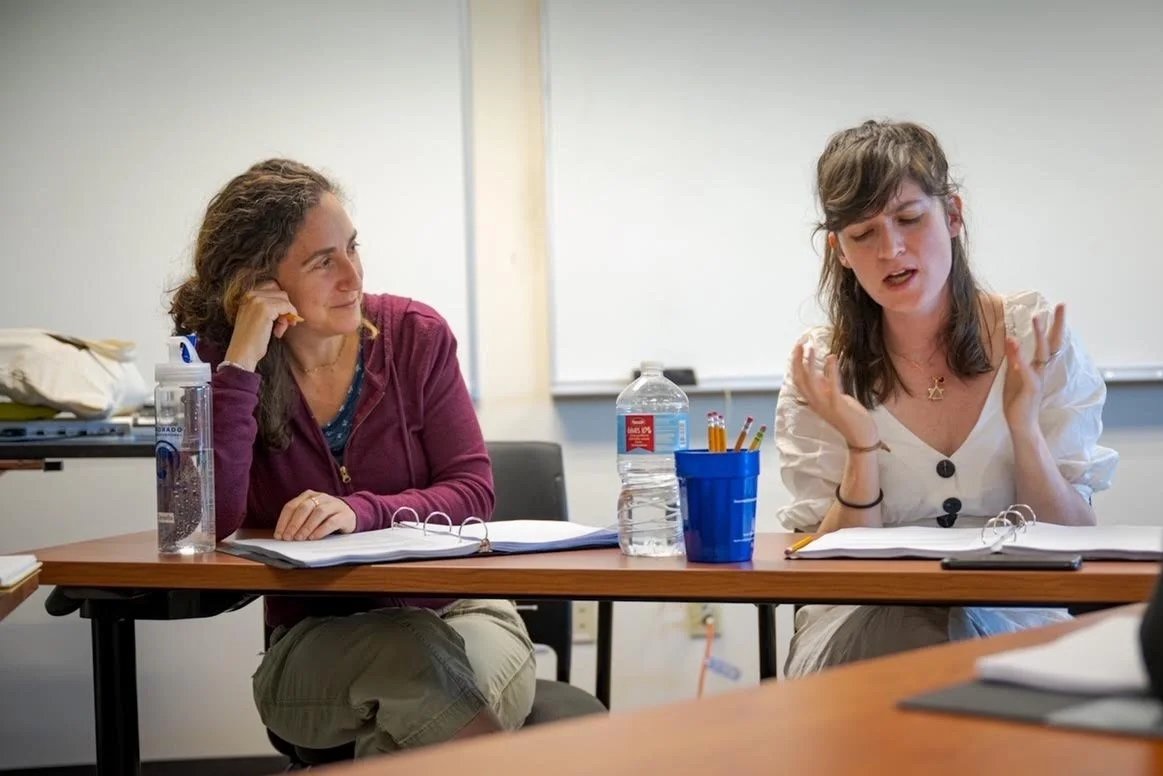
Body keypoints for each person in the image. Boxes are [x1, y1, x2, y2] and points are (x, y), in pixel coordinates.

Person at [169, 159, 535, 756]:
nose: (352, 276)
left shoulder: (415, 336)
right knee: (416, 665)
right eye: (322, 261)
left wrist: (360, 511)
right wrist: (239, 366)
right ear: (258, 282)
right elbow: (211, 523)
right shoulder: (218, 367)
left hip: (465, 614)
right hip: (316, 643)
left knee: (412, 726)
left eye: (353, 249)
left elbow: (473, 491)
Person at [775, 120, 1119, 678]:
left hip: (1017, 614)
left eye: (910, 219)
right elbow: (829, 569)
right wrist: (863, 449)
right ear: (839, 250)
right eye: (863, 234)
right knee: (919, 640)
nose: (891, 249)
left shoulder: (1031, 338)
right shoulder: (823, 368)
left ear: (953, 216)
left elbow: (1074, 538)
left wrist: (1023, 426)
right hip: (862, 624)